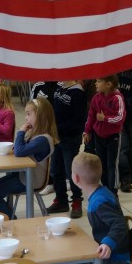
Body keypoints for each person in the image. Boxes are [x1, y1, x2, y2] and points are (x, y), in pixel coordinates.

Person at [40, 152, 130, 264]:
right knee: (62, 260)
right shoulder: (99, 194)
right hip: (106, 250)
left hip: (113, 256)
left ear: (75, 179)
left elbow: (120, 224)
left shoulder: (100, 201)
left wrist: (108, 243)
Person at [0, 97, 58, 219]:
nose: (26, 118)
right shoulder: (34, 135)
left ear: (40, 116)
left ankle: (11, 220)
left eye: (28, 114)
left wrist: (21, 132)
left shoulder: (43, 139)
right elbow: (17, 149)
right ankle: (8, 217)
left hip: (30, 180)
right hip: (22, 175)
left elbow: (19, 152)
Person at [47, 80, 87, 219]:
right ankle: (61, 200)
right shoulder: (59, 87)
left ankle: (76, 201)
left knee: (71, 172)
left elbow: (79, 119)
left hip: (70, 138)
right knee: (55, 170)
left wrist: (60, 128)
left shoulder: (77, 92)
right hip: (57, 137)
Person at [83, 75, 125, 195]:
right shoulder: (96, 98)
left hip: (113, 137)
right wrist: (87, 131)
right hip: (98, 136)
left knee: (112, 165)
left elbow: (120, 118)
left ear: (109, 84)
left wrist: (105, 118)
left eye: (99, 81)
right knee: (102, 164)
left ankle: (113, 191)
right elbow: (91, 115)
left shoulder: (118, 98)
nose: (96, 84)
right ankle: (106, 188)